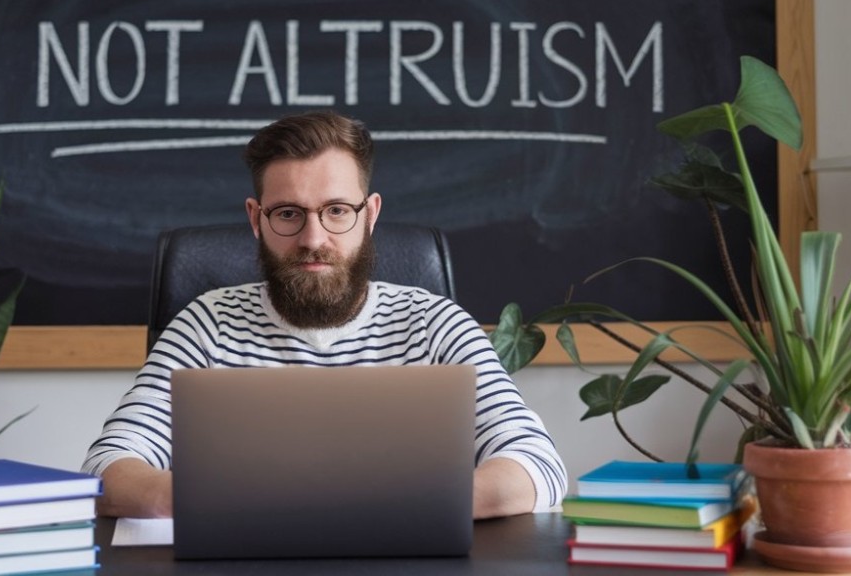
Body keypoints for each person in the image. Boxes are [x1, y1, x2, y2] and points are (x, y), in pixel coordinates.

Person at [83, 111, 567, 519]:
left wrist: (360, 511)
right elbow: (105, 468)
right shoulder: (206, 327)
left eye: (337, 211)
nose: (313, 239)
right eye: (289, 213)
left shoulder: (435, 325)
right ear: (256, 219)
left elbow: (536, 466)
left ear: (369, 215)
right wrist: (221, 505)